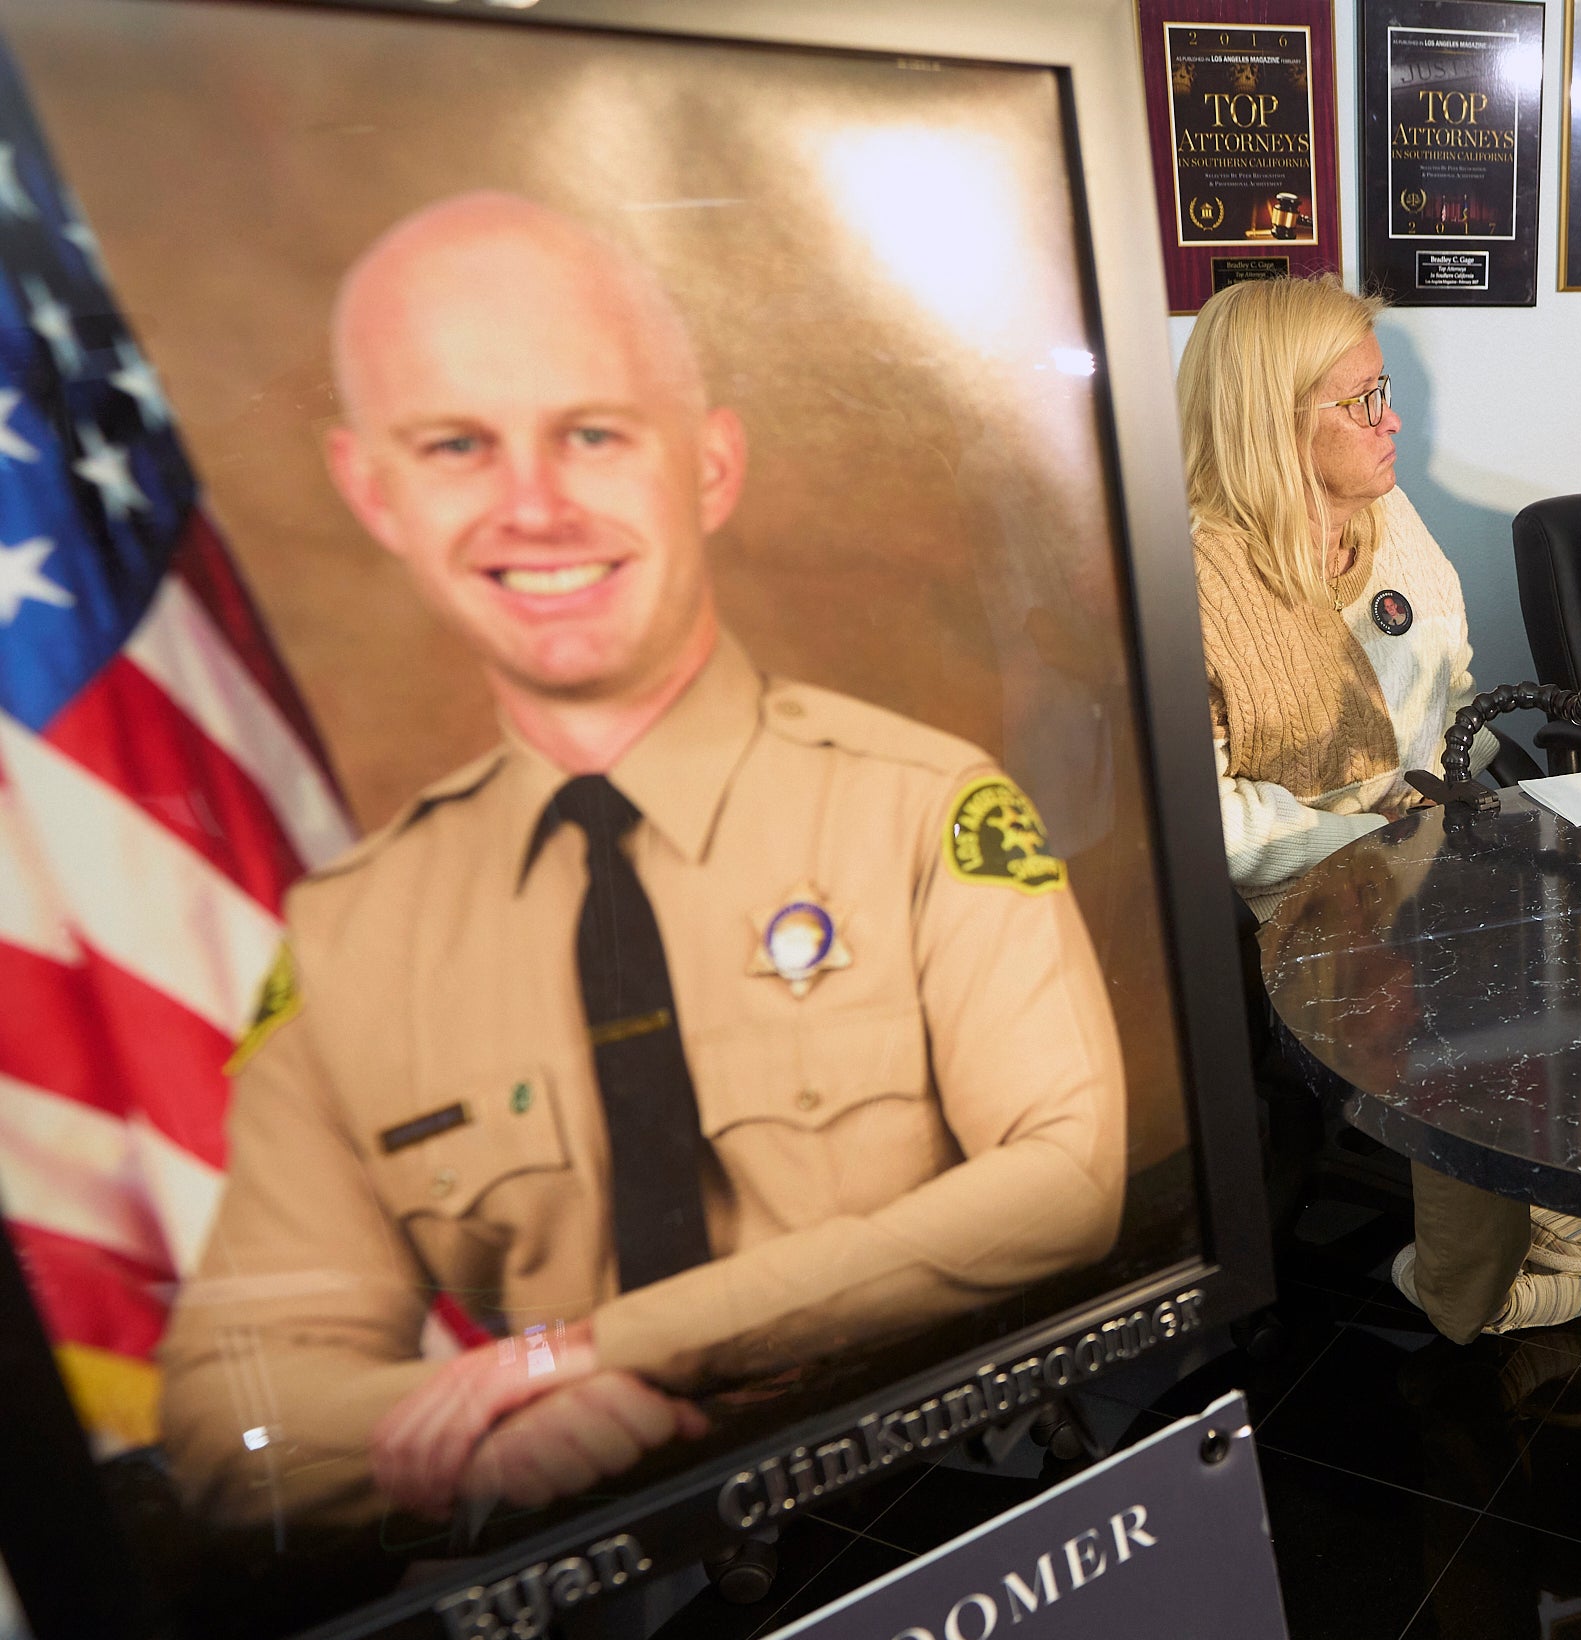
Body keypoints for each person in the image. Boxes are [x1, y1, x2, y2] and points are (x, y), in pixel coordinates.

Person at [151, 192, 1129, 1528]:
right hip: (562, 1592)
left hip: (934, 1497)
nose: (533, 506)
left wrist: (601, 1350)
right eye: (455, 446)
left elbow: (1067, 1182)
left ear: (711, 465)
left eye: (593, 433)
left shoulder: (922, 805)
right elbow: (228, 1407)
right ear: (372, 491)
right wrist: (470, 1437)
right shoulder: (348, 939)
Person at [1178, 275, 1581, 1349]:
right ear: (1272, 419)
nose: (1393, 421)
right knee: (1458, 988)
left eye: (1387, 390)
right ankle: (1474, 1290)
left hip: (1433, 843)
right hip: (1305, 891)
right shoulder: (1191, 578)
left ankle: (1556, 1209)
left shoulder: (1388, 518)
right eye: (1361, 401)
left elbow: (1455, 698)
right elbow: (1207, 815)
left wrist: (1477, 813)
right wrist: (1379, 846)